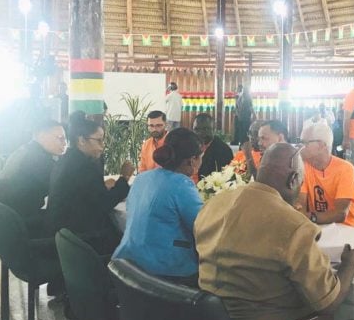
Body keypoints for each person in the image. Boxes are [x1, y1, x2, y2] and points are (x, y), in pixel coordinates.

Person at [194, 143, 354, 320]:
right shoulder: (294, 226)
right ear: (293, 179)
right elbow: (329, 302)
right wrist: (350, 263)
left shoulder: (213, 205)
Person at [113, 128, 203, 285]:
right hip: (165, 271)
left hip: (129, 263)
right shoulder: (181, 184)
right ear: (192, 160)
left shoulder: (142, 178)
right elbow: (201, 226)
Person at [48, 118, 134, 255]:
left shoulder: (68, 159)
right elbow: (105, 203)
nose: (103, 146)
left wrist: (103, 186)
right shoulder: (83, 167)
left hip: (63, 232)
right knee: (129, 239)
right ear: (81, 141)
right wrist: (124, 178)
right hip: (81, 238)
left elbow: (86, 193)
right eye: (99, 141)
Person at [0, 120, 67, 237]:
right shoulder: (39, 160)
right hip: (28, 226)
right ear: (43, 136)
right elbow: (65, 187)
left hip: (9, 224)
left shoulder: (23, 151)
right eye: (60, 138)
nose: (65, 143)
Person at [296, 123, 354, 228]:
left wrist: (310, 218)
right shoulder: (304, 167)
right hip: (319, 228)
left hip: (349, 230)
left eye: (304, 142)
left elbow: (340, 214)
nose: (299, 147)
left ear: (321, 145)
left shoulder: (345, 169)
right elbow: (300, 206)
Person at [192, 113, 233, 182]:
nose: (200, 133)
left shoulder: (223, 151)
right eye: (196, 129)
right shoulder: (189, 146)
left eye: (205, 129)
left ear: (214, 129)